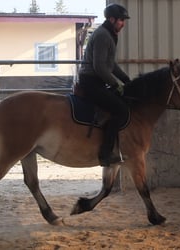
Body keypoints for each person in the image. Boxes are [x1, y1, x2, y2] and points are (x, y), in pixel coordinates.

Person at [78, 3, 131, 167]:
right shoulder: (103, 35)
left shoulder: (110, 34)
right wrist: (116, 84)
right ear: (112, 19)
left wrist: (127, 80)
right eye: (121, 20)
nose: (123, 23)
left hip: (97, 80)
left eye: (124, 20)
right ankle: (105, 154)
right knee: (121, 110)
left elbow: (111, 64)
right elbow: (100, 67)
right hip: (91, 82)